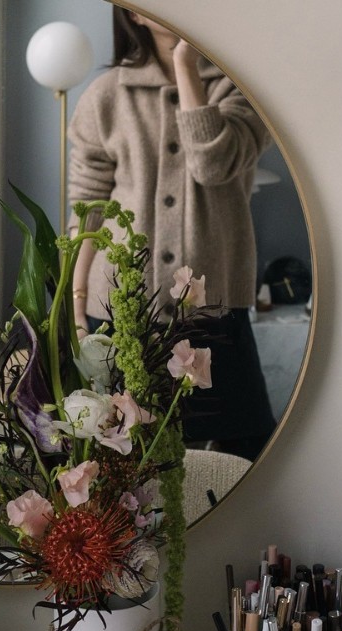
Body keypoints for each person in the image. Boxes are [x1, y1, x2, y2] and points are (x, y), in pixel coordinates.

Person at [67, 8, 275, 461]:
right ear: (134, 13)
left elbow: (212, 165)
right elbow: (87, 212)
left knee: (249, 451)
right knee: (126, 461)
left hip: (214, 308)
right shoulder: (106, 95)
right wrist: (76, 304)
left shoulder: (242, 89)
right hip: (119, 310)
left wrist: (186, 60)